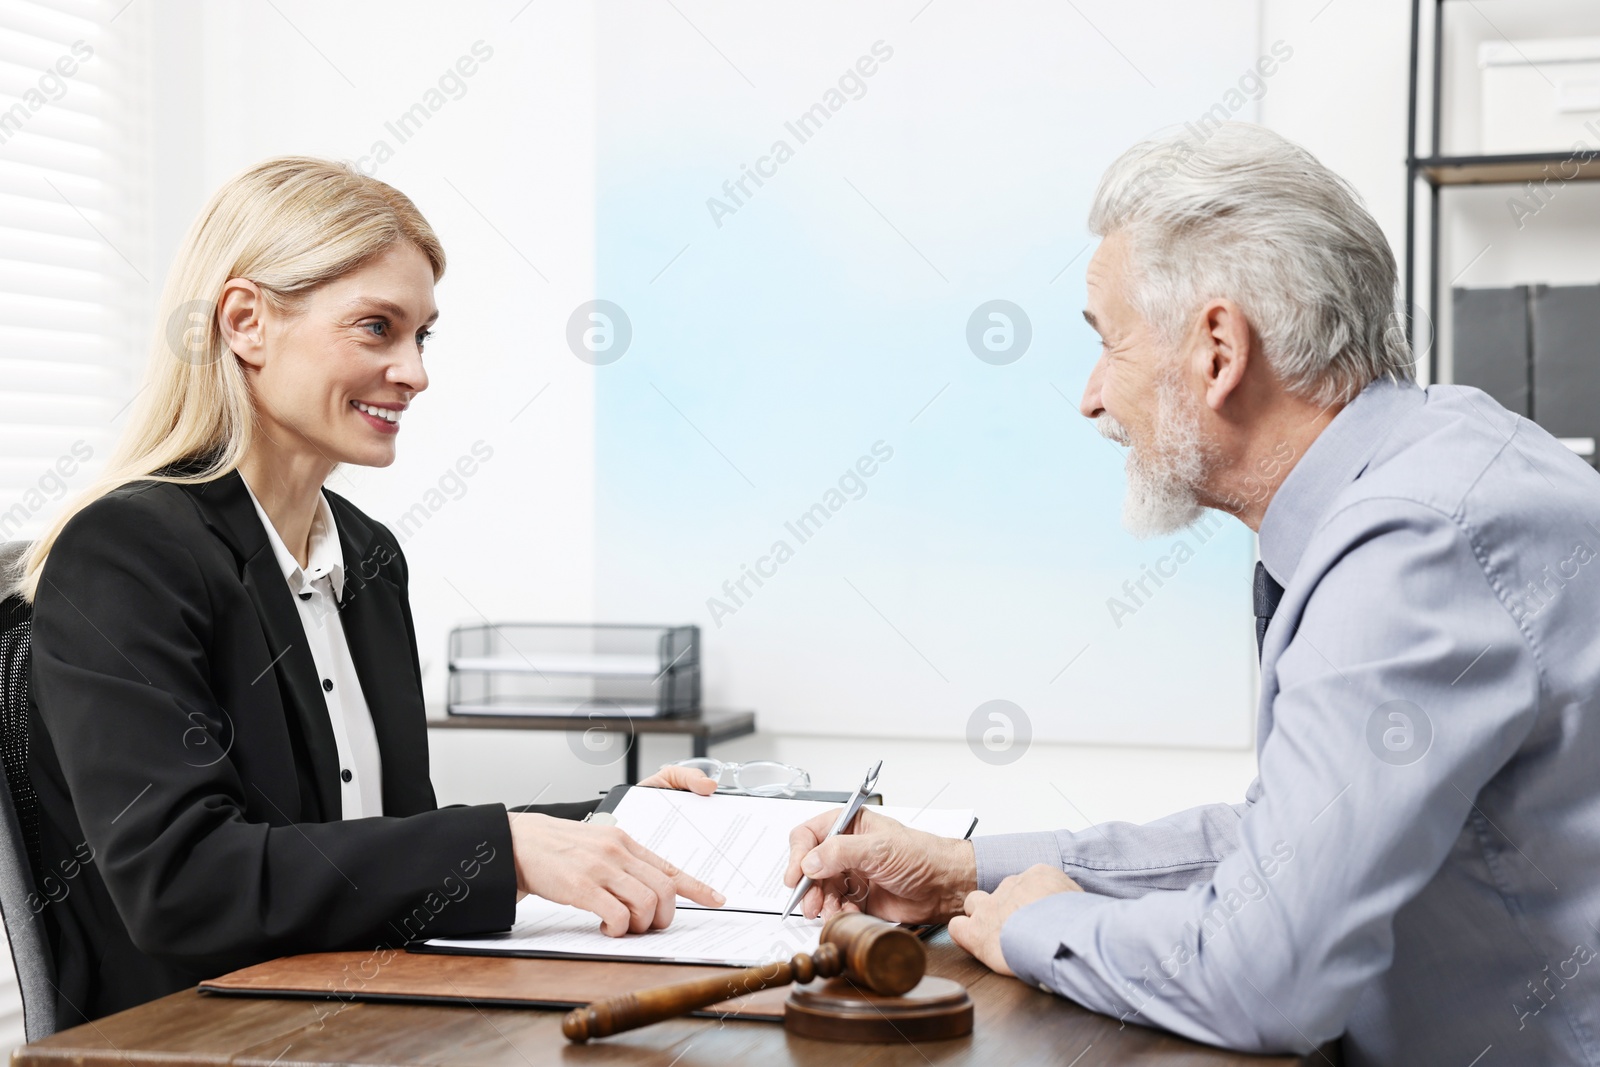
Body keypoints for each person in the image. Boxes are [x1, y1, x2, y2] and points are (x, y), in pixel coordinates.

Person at [784, 123, 1600, 1067]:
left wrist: (1047, 926)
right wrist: (960, 870)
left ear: (1218, 349)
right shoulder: (1437, 457)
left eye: (1109, 346)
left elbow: (1267, 975)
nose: (1091, 398)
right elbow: (1287, 841)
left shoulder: (1412, 548)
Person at [18, 157, 721, 1026]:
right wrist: (505, 845)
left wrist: (615, 818)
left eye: (421, 336)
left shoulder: (368, 554)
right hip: (210, 1033)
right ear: (246, 322)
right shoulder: (127, 552)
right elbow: (183, 882)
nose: (414, 372)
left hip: (363, 1012)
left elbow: (384, 832)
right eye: (377, 328)